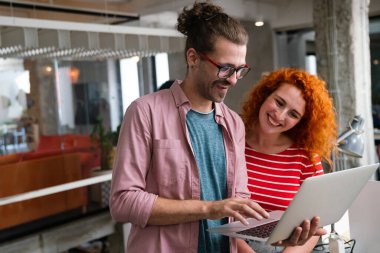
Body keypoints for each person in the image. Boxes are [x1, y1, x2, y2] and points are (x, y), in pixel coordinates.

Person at [109, 2, 323, 252]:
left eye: (239, 70)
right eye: (225, 68)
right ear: (193, 58)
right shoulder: (145, 112)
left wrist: (278, 236)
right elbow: (123, 202)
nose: (233, 80)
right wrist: (209, 208)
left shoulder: (233, 124)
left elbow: (238, 204)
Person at [238, 68, 337, 253]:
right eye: (279, 102)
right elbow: (216, 211)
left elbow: (315, 225)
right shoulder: (230, 140)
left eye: (293, 114)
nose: (280, 116)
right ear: (265, 95)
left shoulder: (306, 156)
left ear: (302, 122)